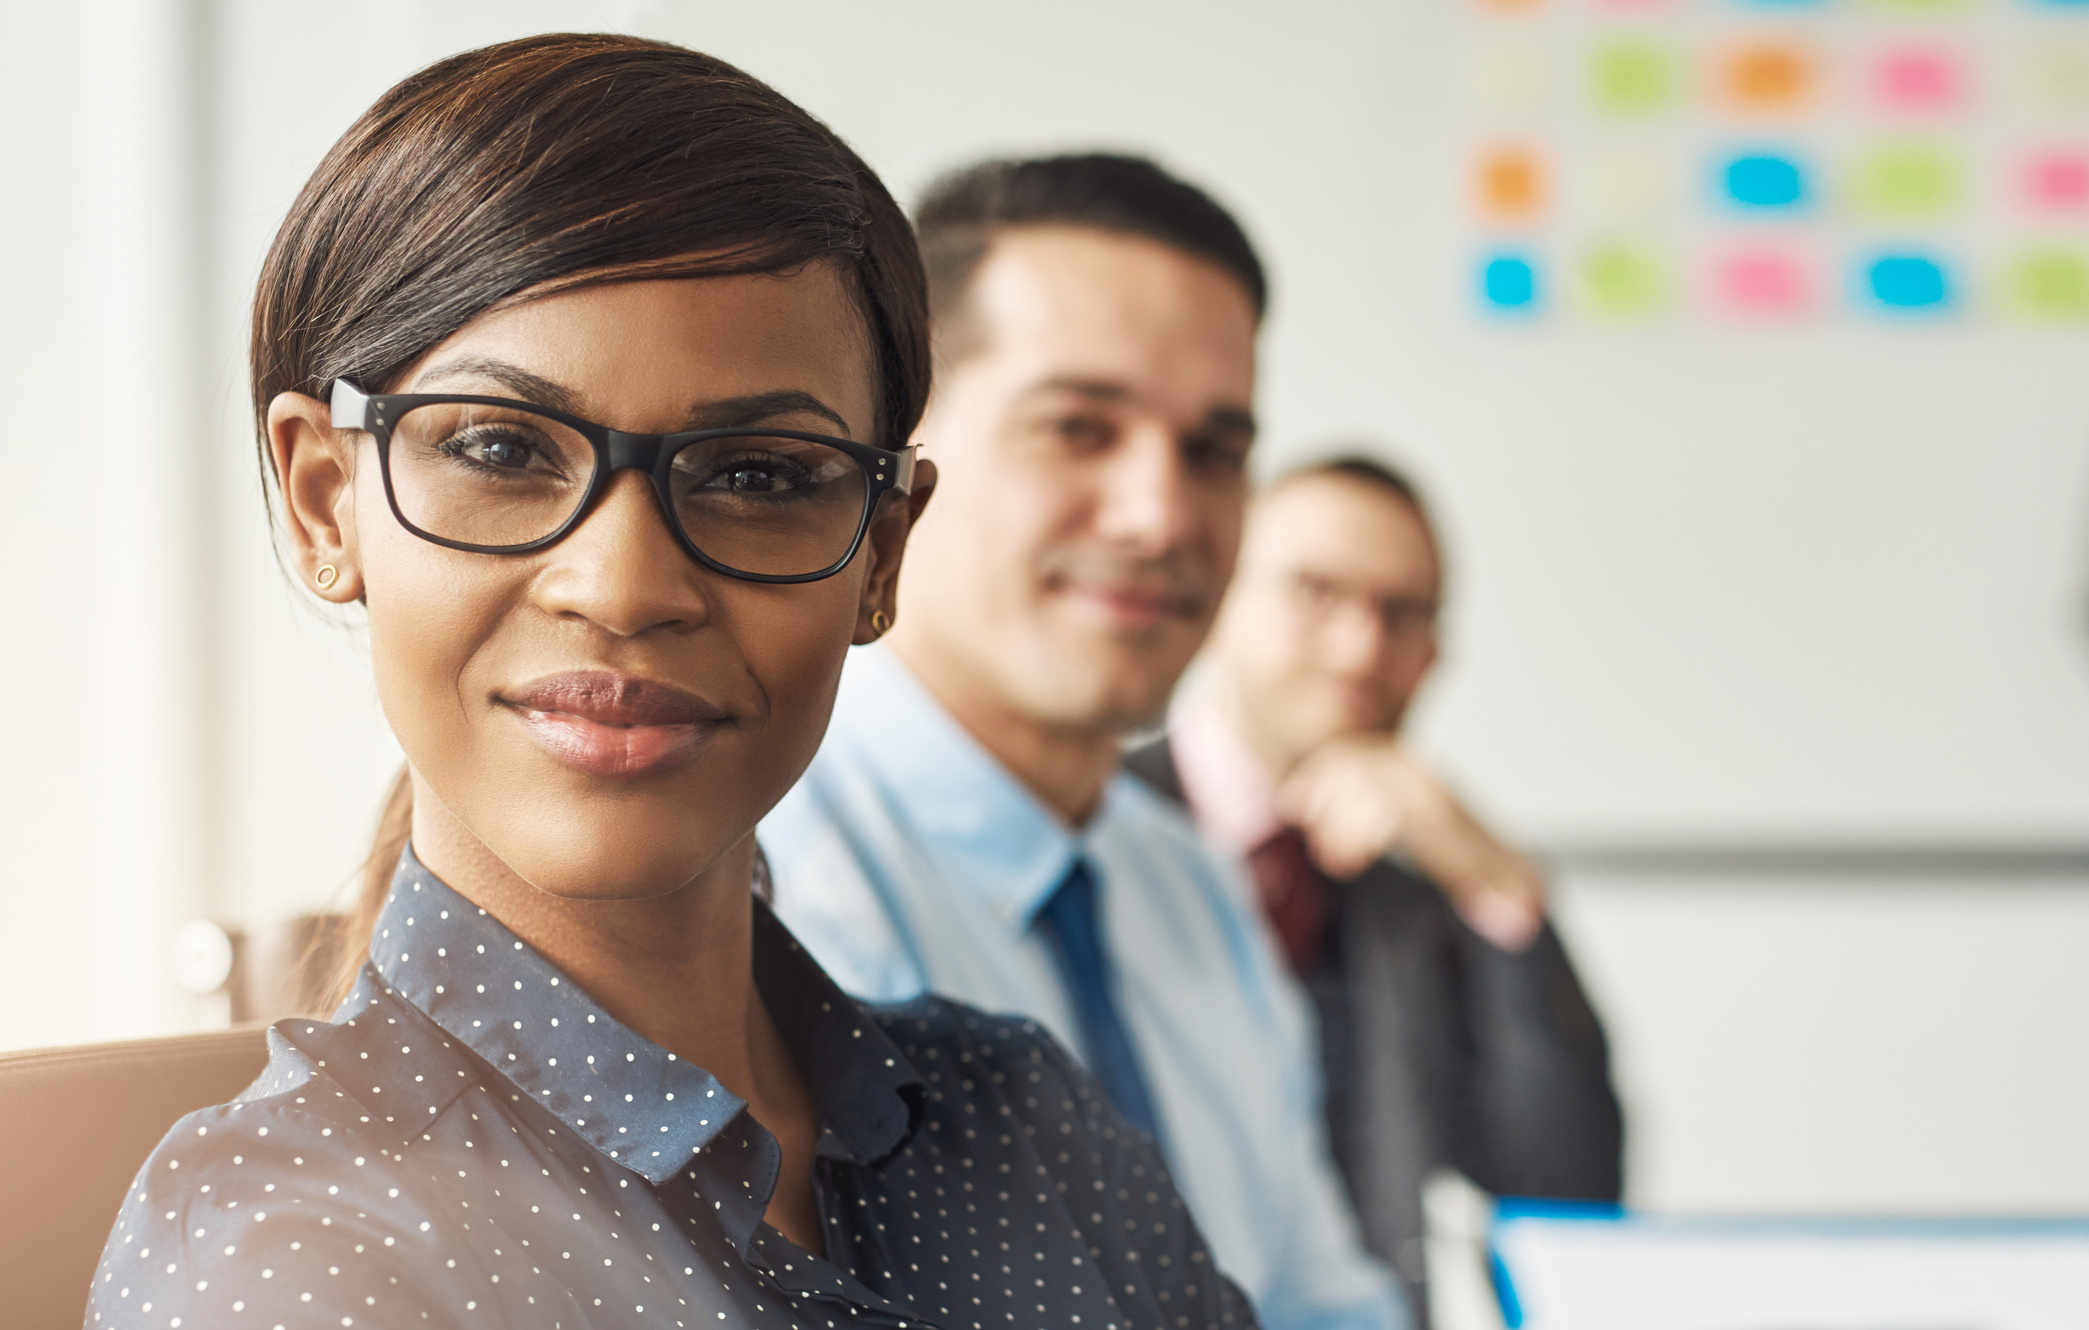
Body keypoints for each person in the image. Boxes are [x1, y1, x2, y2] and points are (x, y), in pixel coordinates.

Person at [89, 37, 1254, 1330]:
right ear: (326, 500)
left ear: (881, 555)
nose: (625, 583)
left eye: (757, 473)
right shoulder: (286, 1257)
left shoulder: (1027, 1120)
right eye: (499, 447)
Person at [762, 156, 1408, 1330]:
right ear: (897, 455)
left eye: (1214, 451)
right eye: (1077, 427)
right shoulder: (767, 871)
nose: (1161, 514)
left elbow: (1325, 1302)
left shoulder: (1188, 884)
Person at [1127, 456, 1624, 1321]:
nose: (1361, 649)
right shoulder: (1089, 825)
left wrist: (1500, 889)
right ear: (1219, 599)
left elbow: (1570, 1194)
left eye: (1403, 614)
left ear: (1434, 653)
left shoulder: (1430, 897)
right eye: (1316, 593)